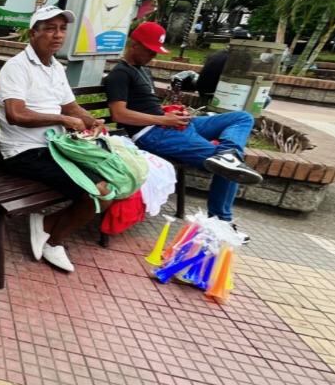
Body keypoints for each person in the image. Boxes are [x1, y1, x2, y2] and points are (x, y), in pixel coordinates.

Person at [105, 23, 262, 235]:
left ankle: (228, 152)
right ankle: (220, 222)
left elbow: (145, 104)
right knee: (229, 167)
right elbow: (119, 114)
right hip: (151, 134)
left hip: (167, 124)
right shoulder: (120, 74)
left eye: (155, 51)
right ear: (134, 45)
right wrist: (163, 120)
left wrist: (170, 113)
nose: (152, 55)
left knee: (242, 118)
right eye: (149, 50)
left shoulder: (143, 70)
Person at [0, 6, 107, 273]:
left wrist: (92, 121)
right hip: (23, 153)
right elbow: (15, 114)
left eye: (61, 29)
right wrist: (61, 120)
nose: (57, 35)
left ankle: (45, 225)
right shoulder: (16, 68)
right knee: (98, 193)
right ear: (33, 33)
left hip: (54, 148)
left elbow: (70, 106)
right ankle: (54, 241)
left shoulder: (56, 67)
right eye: (49, 29)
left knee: (111, 183)